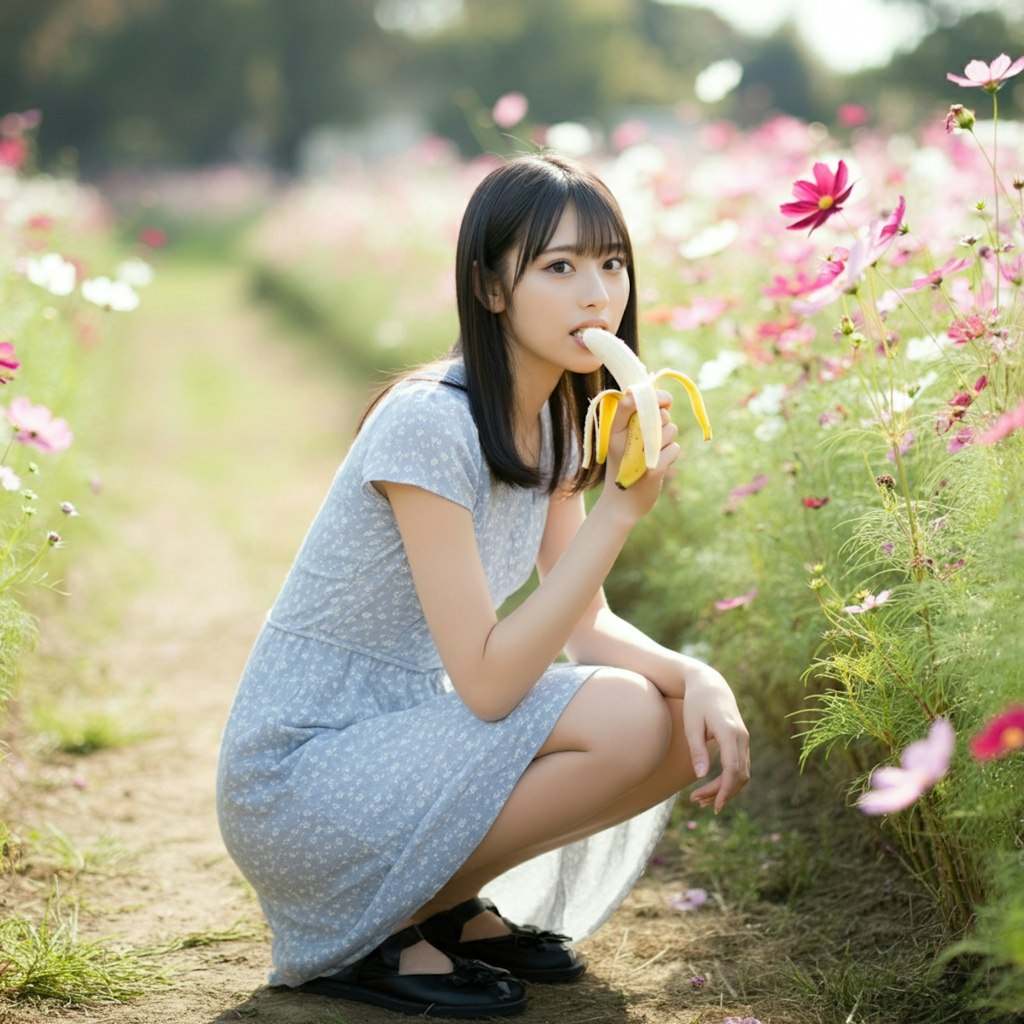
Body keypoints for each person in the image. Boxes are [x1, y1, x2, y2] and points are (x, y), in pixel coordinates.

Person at [216, 151, 750, 1019]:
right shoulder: (429, 421)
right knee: (625, 715)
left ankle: (437, 910)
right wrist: (618, 515)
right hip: (302, 781)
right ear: (491, 290)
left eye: (611, 263)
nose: (597, 295)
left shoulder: (549, 419)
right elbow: (491, 683)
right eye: (559, 266)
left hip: (399, 757)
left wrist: (700, 676)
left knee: (671, 723)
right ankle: (378, 928)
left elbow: (589, 627)